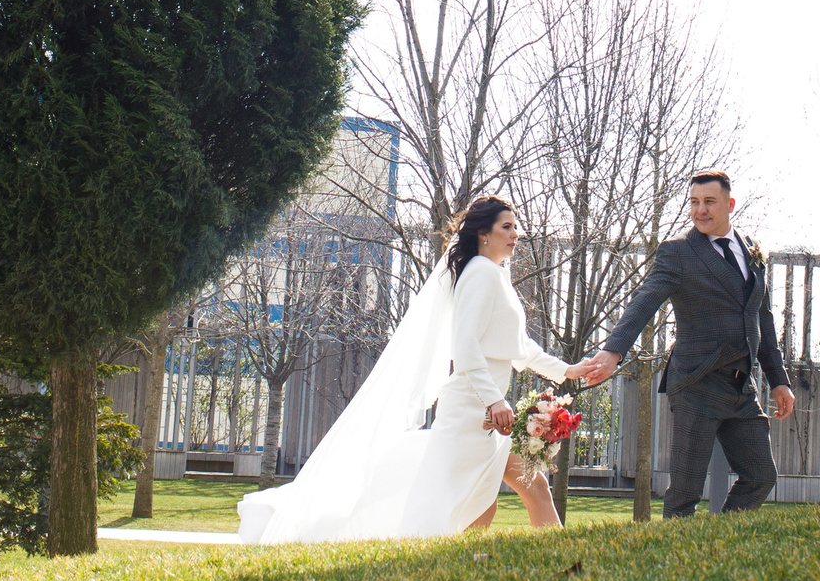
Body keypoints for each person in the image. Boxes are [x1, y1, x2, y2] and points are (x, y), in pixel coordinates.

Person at [237, 196, 583, 543]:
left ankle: (552, 553)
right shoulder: (480, 274)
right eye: (506, 227)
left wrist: (568, 371)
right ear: (483, 232)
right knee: (473, 506)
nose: (515, 234)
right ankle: (445, 560)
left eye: (516, 227)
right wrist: (494, 400)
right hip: (472, 411)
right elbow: (464, 347)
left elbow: (519, 348)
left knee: (523, 487)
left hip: (488, 414)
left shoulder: (495, 275)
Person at [572, 169, 796, 517]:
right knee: (685, 492)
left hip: (741, 387)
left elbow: (762, 319)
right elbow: (645, 300)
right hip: (696, 382)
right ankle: (674, 563)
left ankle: (716, 544)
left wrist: (779, 380)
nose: (700, 211)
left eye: (709, 202)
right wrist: (614, 350)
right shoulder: (677, 253)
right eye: (694, 202)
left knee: (761, 476)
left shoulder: (751, 250)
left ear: (729, 204)